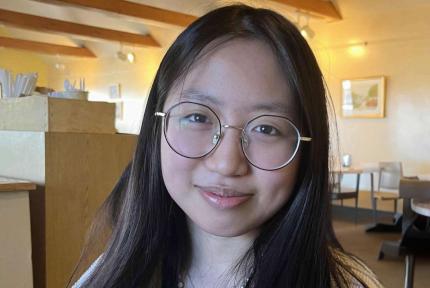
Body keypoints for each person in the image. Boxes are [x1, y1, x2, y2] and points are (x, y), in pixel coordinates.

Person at [69, 4, 383, 288]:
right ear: (157, 126)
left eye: (266, 128)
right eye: (197, 117)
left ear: (305, 148)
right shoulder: (106, 276)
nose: (227, 163)